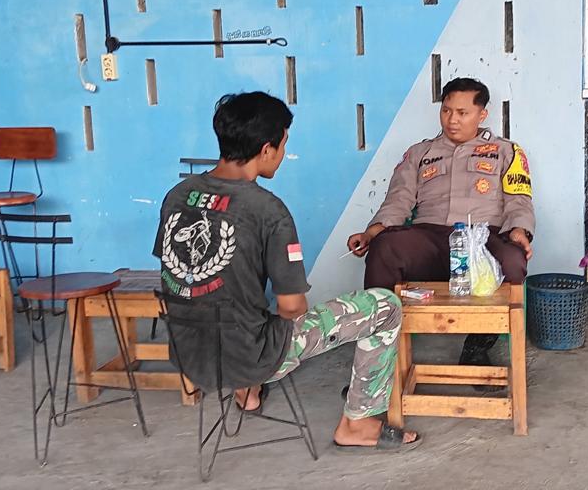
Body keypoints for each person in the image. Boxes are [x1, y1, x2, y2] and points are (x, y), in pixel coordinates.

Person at [155, 92, 420, 451]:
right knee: (385, 307)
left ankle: (247, 394)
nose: (282, 154)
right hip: (249, 357)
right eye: (283, 145)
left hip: (189, 353)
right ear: (266, 150)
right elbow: (292, 308)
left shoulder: (178, 194)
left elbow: (182, 273)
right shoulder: (267, 210)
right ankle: (357, 424)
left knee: (238, 307)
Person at [347, 77, 534, 369]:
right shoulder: (419, 153)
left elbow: (518, 200)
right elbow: (398, 200)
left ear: (482, 114)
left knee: (512, 259)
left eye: (462, 113)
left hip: (482, 241)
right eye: (446, 111)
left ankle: (477, 346)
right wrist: (371, 234)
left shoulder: (506, 152)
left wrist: (520, 231)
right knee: (385, 248)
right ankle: (377, 364)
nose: (452, 120)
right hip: (429, 240)